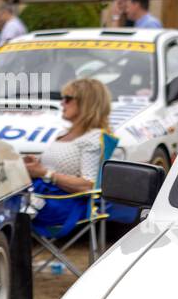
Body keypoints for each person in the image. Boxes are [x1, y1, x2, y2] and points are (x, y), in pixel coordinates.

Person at [23, 77, 113, 232]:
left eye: (68, 99)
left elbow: (88, 185)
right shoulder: (64, 133)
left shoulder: (94, 138)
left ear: (87, 103)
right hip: (42, 198)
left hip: (63, 205)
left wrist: (45, 173)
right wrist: (35, 164)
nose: (62, 103)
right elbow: (55, 167)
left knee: (2, 209)